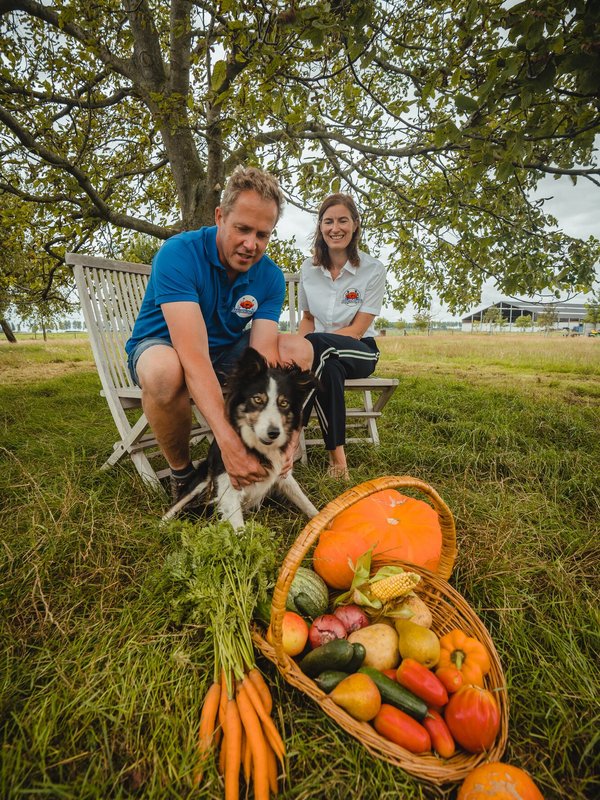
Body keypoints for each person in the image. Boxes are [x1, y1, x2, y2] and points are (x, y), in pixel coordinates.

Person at [125, 165, 312, 507]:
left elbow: (265, 360)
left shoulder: (269, 277)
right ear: (219, 217)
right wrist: (229, 444)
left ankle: (265, 469)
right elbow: (193, 358)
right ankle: (184, 477)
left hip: (224, 352)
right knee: (165, 370)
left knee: (298, 348)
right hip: (165, 348)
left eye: (262, 234)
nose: (251, 244)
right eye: (242, 229)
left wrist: (289, 436)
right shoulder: (179, 254)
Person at [298, 193, 387, 479]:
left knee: (318, 346)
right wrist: (302, 350)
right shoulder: (308, 269)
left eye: (342, 221)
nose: (335, 228)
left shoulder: (372, 270)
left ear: (355, 224)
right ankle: (338, 462)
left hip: (359, 350)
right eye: (328, 222)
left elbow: (358, 330)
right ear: (320, 227)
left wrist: (308, 347)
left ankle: (290, 437)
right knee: (328, 368)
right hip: (322, 356)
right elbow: (308, 319)